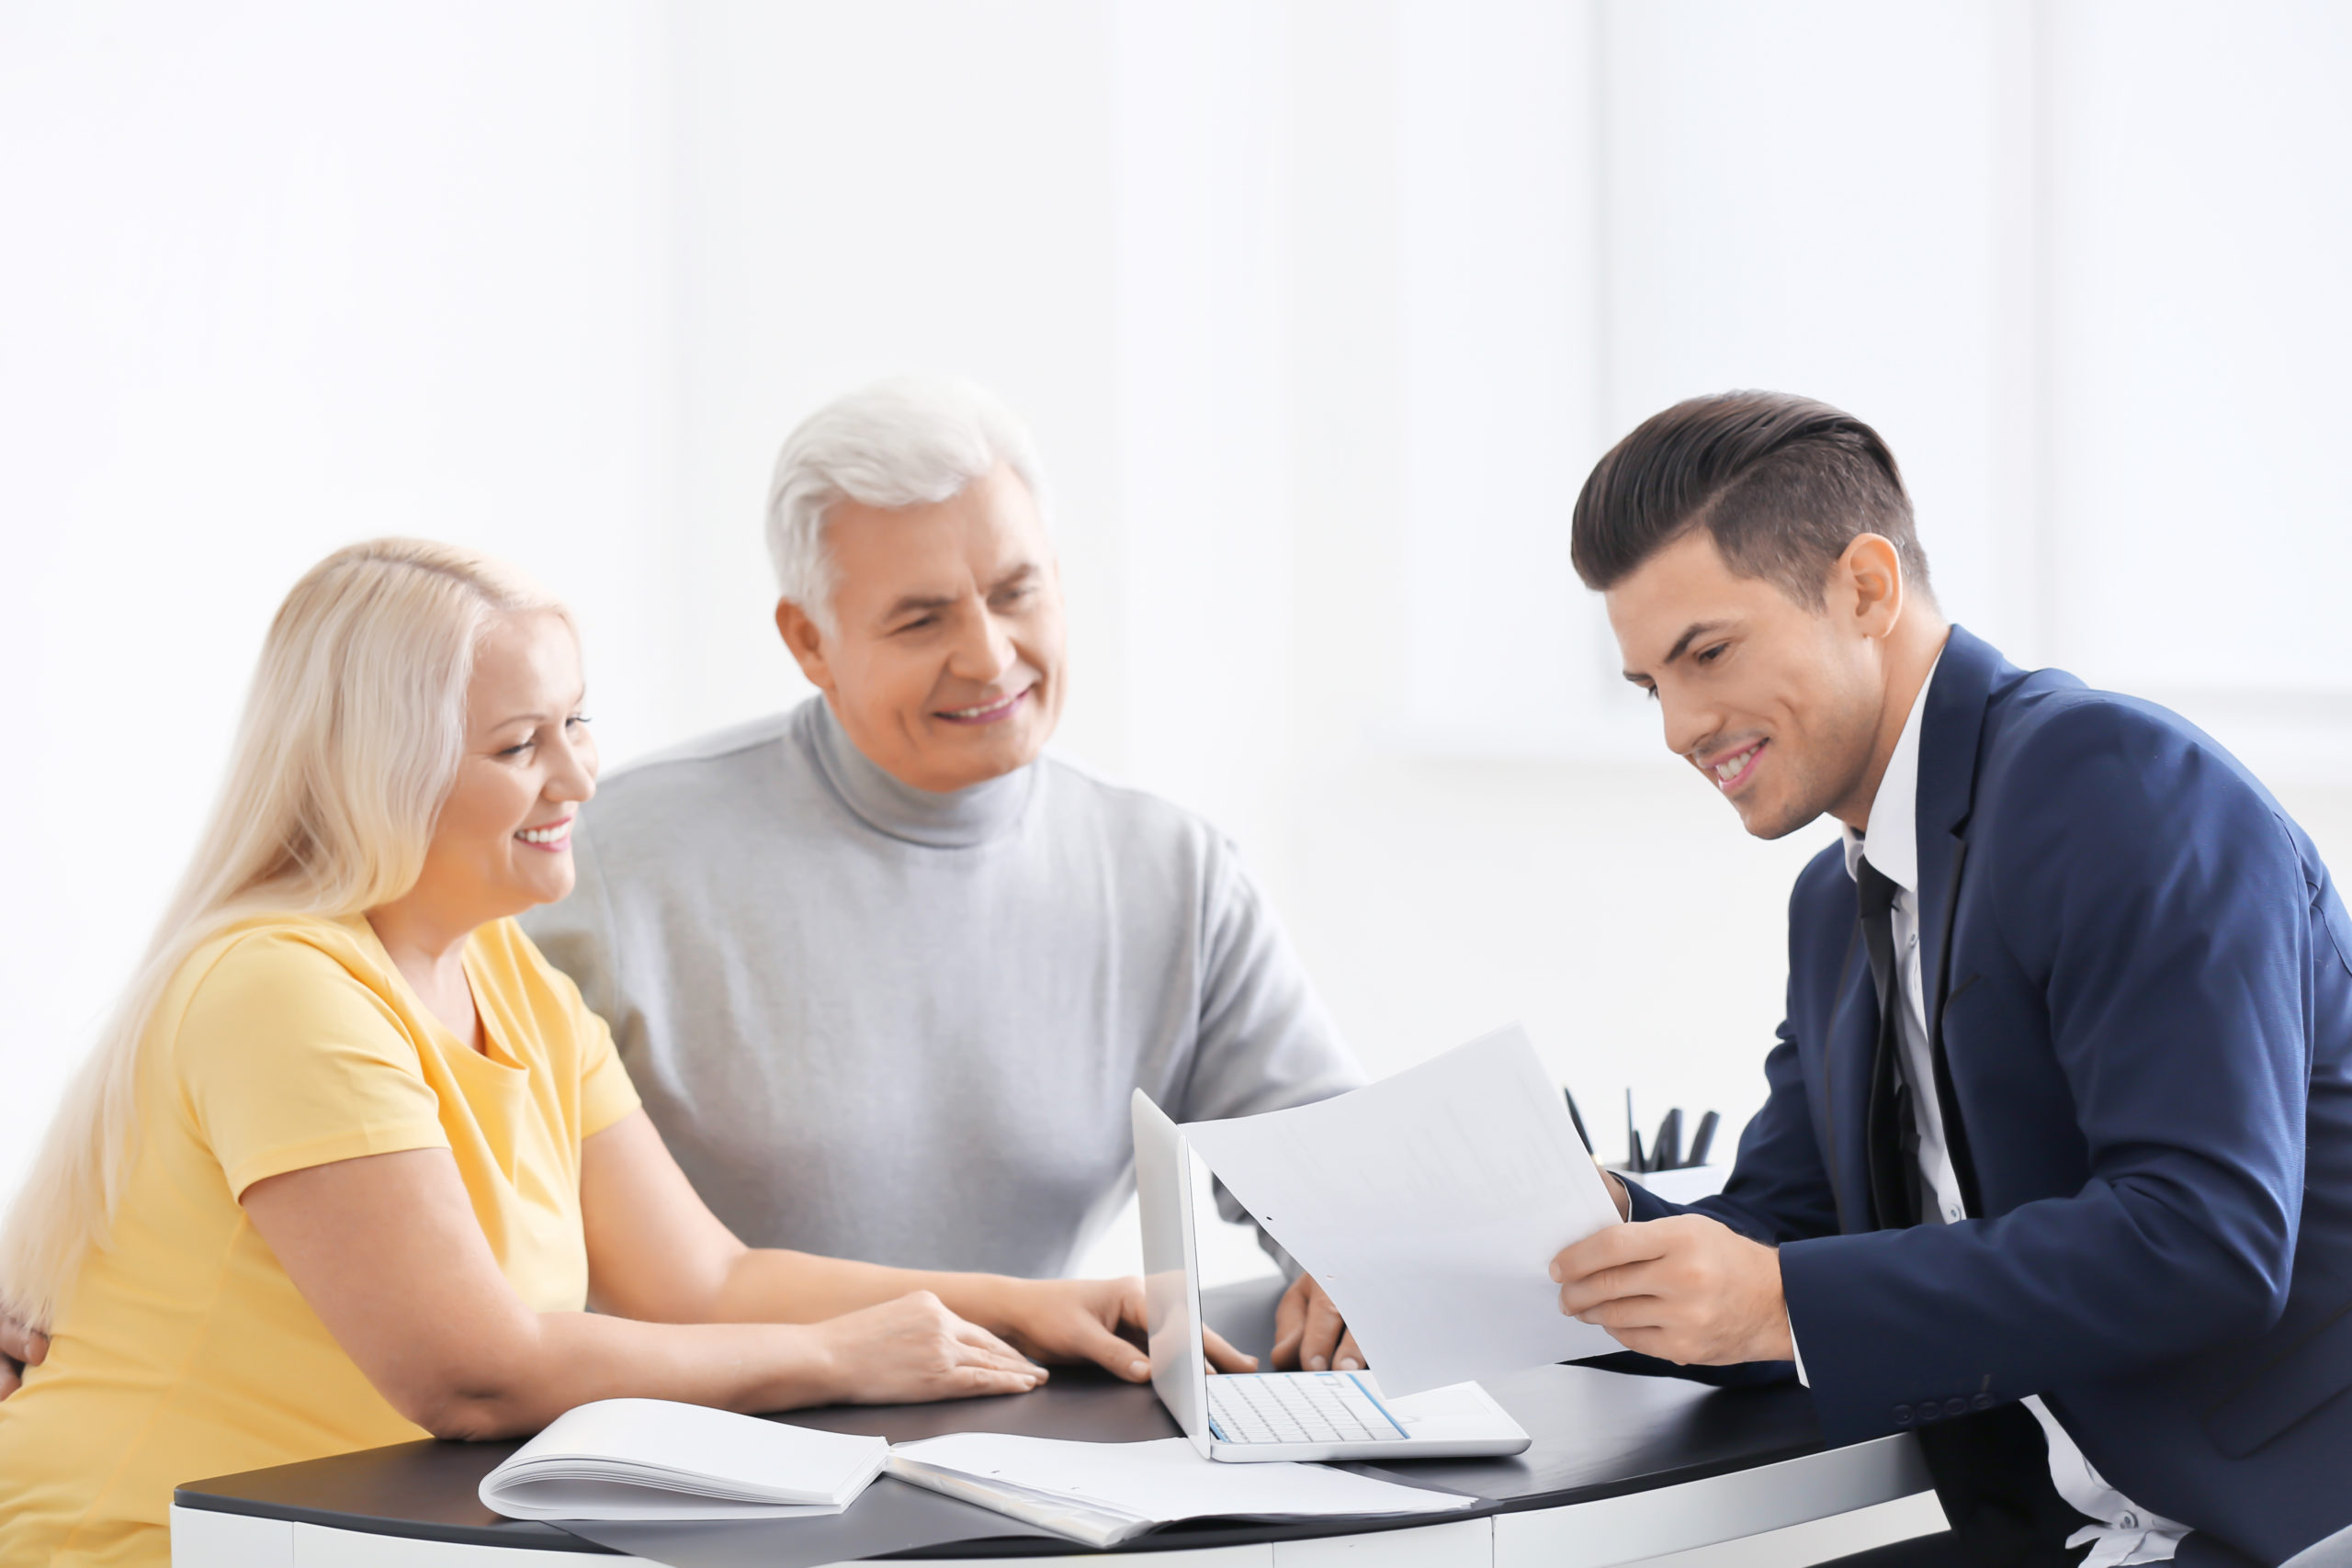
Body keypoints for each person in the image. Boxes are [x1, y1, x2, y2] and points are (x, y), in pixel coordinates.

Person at [0, 540, 1245, 1566]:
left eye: (576, 720)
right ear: (381, 769)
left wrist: (1048, 1305)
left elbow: (705, 1277)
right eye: (518, 745)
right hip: (156, 1539)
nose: (579, 774)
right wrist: (833, 1355)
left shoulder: (506, 975)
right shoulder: (280, 986)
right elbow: (474, 1375)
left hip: (384, 1535)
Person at [1544, 393, 2352, 1567]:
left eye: (1706, 653)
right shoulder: (1839, 903)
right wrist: (1581, 1236)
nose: (1677, 727)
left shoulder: (2114, 788)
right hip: (2082, 1526)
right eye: (1648, 685)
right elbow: (1785, 1227)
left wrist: (1777, 1299)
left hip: (2289, 1520)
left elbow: (2205, 1237)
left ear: (1864, 589)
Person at [516, 377, 1365, 1370]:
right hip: (717, 1459)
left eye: (1018, 593)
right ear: (809, 642)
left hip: (1033, 1453)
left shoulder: (1174, 875)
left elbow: (1332, 1179)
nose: (989, 654)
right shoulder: (606, 859)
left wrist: (1352, 1259)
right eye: (921, 621)